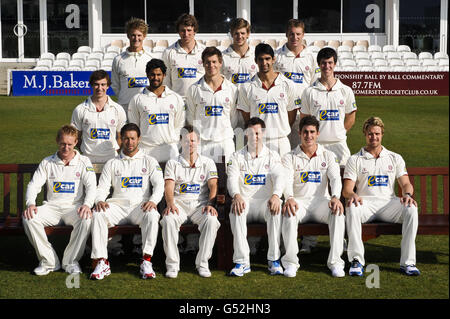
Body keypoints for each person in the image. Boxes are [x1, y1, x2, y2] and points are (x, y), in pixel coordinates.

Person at [343, 117, 420, 276]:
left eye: (377, 133)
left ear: (382, 134)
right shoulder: (355, 159)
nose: (374, 137)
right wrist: (352, 195)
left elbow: (406, 183)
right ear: (365, 134)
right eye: (370, 134)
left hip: (388, 204)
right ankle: (356, 261)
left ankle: (408, 263)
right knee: (351, 206)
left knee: (411, 208)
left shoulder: (394, 157)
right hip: (366, 204)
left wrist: (407, 194)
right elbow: (347, 190)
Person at [299, 47, 357, 253]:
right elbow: (305, 118)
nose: (327, 66)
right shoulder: (309, 91)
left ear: (335, 64)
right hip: (318, 147)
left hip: (340, 147)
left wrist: (340, 131)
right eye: (323, 63)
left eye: (330, 62)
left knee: (341, 190)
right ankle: (308, 241)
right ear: (319, 65)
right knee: (314, 188)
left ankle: (340, 239)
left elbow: (351, 114)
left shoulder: (345, 90)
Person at [89, 123, 164, 280]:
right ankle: (102, 261)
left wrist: (153, 201)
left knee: (152, 214)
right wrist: (100, 200)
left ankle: (147, 261)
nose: (129, 142)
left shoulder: (149, 161)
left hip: (140, 206)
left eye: (132, 138)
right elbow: (102, 187)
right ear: (120, 139)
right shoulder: (112, 163)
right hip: (117, 206)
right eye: (126, 139)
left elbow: (159, 185)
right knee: (97, 214)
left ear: (139, 139)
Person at [22, 125, 96, 275]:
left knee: (86, 218)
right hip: (52, 207)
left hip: (74, 208)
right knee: (29, 217)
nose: (66, 148)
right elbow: (34, 185)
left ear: (76, 142)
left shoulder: (84, 161)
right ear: (57, 141)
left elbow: (91, 186)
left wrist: (87, 205)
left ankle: (71, 262)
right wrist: (30, 203)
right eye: (63, 143)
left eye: (70, 144)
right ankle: (49, 262)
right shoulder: (47, 162)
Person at [281, 115, 345, 278]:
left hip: (321, 202)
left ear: (317, 134)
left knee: (337, 212)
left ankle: (336, 262)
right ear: (299, 133)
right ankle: (290, 262)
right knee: (289, 213)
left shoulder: (328, 155)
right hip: (299, 202)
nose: (308, 136)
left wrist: (335, 197)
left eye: (312, 132)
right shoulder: (290, 157)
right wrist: (289, 197)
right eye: (305, 132)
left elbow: (336, 178)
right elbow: (286, 180)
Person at [160, 125, 220, 278]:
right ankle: (172, 265)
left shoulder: (208, 162)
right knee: (167, 220)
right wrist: (170, 203)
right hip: (178, 205)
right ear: (181, 142)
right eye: (186, 141)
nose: (190, 144)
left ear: (198, 141)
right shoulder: (173, 163)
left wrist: (210, 204)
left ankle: (203, 263)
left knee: (212, 220)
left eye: (193, 140)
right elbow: (168, 186)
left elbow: (213, 185)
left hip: (200, 206)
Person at [227, 117, 285, 276]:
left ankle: (274, 260)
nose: (255, 137)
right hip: (244, 201)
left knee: (276, 208)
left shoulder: (272, 155)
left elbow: (280, 176)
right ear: (246, 134)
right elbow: (231, 179)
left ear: (263, 133)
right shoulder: (236, 156)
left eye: (258, 133)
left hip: (265, 203)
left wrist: (276, 195)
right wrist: (236, 195)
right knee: (235, 209)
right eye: (251, 133)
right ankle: (242, 262)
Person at [238, 43, 298, 157]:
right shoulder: (247, 87)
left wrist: (279, 129)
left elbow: (291, 114)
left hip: (281, 141)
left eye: (267, 59)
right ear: (255, 60)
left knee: (283, 174)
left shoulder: (287, 84)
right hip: (258, 140)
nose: (264, 63)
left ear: (274, 59)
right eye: (260, 59)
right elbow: (247, 117)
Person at [186, 47, 238, 164]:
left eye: (214, 62)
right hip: (202, 143)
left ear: (220, 63)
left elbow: (233, 118)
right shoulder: (194, 89)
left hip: (225, 142)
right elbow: (191, 118)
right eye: (207, 62)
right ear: (203, 64)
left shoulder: (232, 89)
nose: (211, 65)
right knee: (203, 180)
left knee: (227, 178)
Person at [128, 58, 186, 162]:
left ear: (164, 75)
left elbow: (179, 125)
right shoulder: (137, 99)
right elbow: (134, 127)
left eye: (159, 74)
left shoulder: (175, 98)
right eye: (152, 74)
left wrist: (174, 143)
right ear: (147, 75)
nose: (155, 78)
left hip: (170, 151)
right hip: (146, 151)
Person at [274, 19, 319, 148]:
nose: (295, 37)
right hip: (283, 111)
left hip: (303, 112)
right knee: (283, 151)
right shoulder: (277, 56)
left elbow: (314, 86)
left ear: (303, 34)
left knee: (303, 151)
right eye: (292, 34)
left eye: (298, 34)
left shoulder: (311, 57)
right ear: (286, 34)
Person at [71, 70, 127, 165]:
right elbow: (75, 137)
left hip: (111, 159)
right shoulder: (80, 109)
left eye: (103, 84)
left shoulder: (118, 109)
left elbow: (121, 136)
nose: (99, 88)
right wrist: (85, 150)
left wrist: (115, 152)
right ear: (91, 85)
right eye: (96, 84)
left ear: (108, 86)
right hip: (87, 160)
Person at [111, 17, 153, 114]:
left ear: (144, 36)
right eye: (133, 35)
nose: (136, 38)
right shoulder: (118, 59)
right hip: (124, 107)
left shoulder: (151, 58)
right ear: (128, 36)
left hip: (146, 107)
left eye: (139, 35)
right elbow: (115, 85)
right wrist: (125, 99)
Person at [162, 13, 205, 100]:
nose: (186, 34)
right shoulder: (168, 52)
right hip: (177, 101)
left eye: (189, 30)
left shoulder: (204, 51)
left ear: (195, 31)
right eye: (182, 30)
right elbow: (166, 82)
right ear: (178, 31)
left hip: (200, 101)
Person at [221, 18, 258, 88]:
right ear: (231, 34)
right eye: (236, 33)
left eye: (242, 33)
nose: (239, 36)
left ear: (248, 34)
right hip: (230, 98)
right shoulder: (222, 57)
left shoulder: (256, 54)